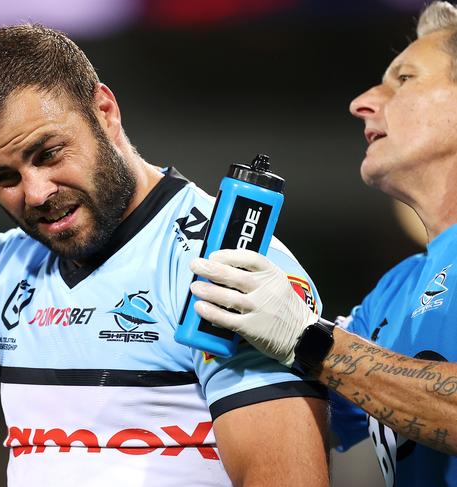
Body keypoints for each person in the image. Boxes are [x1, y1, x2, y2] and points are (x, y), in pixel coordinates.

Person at [0, 25, 329, 487]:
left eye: (48, 154)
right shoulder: (3, 269)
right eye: (4, 177)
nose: (35, 193)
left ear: (105, 111)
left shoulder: (225, 262)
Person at [185, 1, 457, 486]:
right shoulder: (396, 289)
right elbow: (286, 409)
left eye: (406, 79)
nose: (362, 102)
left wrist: (308, 340)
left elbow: (316, 347)